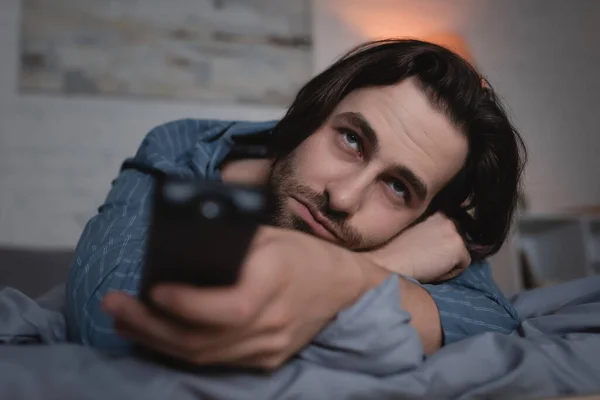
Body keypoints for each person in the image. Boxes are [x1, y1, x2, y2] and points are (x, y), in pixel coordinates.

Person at [65, 39, 526, 369]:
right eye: (351, 139)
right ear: (316, 112)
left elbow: (496, 326)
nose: (343, 197)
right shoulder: (183, 149)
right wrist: (376, 271)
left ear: (421, 217)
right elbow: (108, 326)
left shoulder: (431, 226)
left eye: (398, 188)